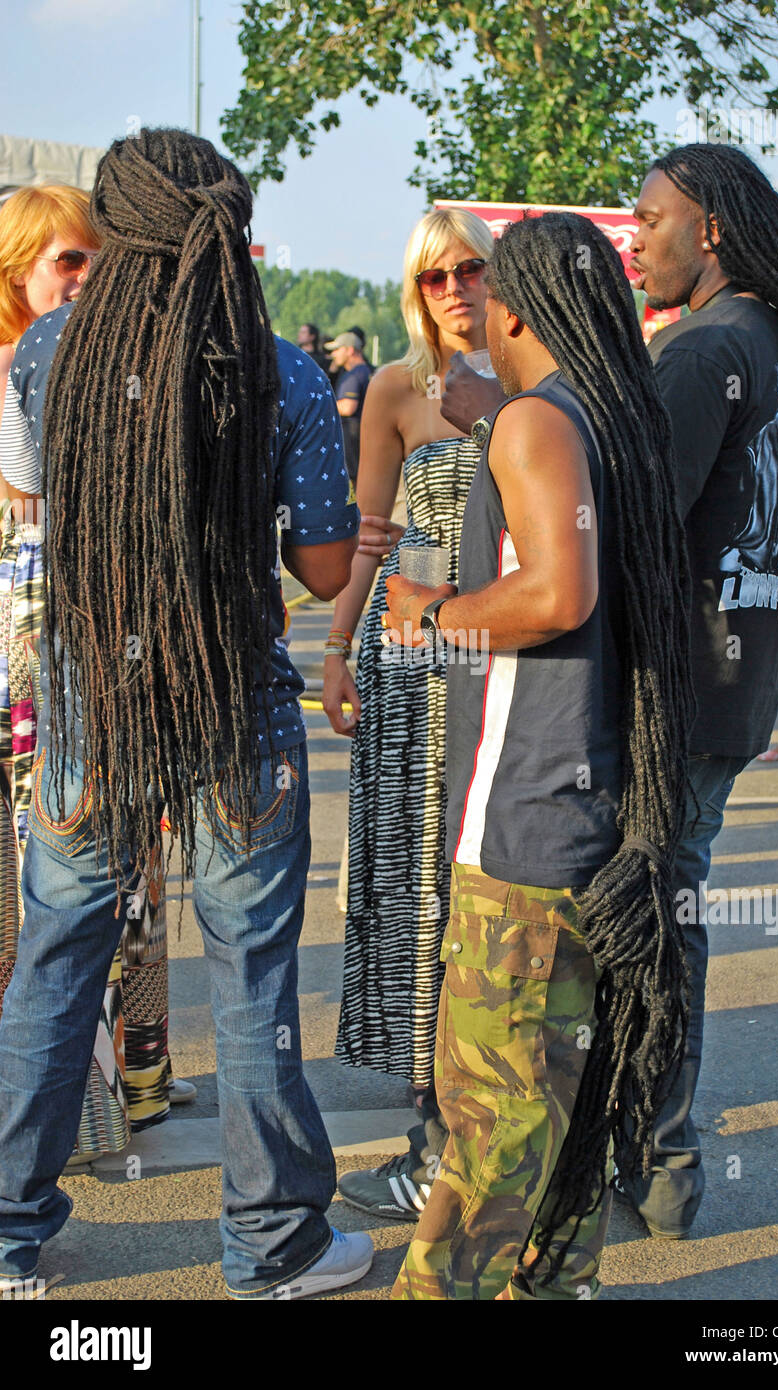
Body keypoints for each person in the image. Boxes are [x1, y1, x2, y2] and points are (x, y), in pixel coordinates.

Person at [0, 128, 369, 1302]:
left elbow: (33, 493)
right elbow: (318, 569)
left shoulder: (46, 349)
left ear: (118, 230)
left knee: (54, 965)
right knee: (253, 976)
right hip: (233, 714)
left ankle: (5, 1232)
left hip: (89, 702)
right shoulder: (285, 370)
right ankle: (272, 1245)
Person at [381, 210, 693, 1299]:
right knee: (563, 1140)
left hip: (524, 828)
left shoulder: (537, 422)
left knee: (488, 1142)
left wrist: (432, 613)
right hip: (602, 821)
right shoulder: (617, 417)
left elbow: (562, 592)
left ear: (511, 308)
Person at [622, 142, 778, 1237]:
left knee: (642, 918)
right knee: (671, 907)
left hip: (674, 690)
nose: (637, 237)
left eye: (651, 217)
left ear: (709, 229)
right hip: (739, 675)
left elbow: (633, 537)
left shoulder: (705, 345)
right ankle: (657, 1157)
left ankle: (655, 1154)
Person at [0, 186, 194, 1161]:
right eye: (66, 263)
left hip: (98, 675)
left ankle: (137, 1086)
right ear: (15, 273)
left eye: (95, 261)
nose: (85, 282)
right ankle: (54, 1123)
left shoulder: (104, 369)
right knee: (36, 910)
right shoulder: (13, 376)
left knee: (131, 888)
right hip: (22, 685)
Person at [321, 209, 493, 1219]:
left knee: (494, 897)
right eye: (436, 276)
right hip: (411, 670)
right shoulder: (393, 388)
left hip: (510, 664)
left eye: (472, 269)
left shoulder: (539, 377)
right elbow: (372, 537)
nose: (457, 288)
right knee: (413, 901)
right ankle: (430, 1140)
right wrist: (338, 650)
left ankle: (501, 1131)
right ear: (414, 290)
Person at [324, 330, 373, 482]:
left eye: (338, 349)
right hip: (364, 441)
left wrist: (321, 406)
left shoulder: (354, 375)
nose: (334, 354)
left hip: (353, 440)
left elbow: (348, 406)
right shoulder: (367, 371)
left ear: (350, 350)